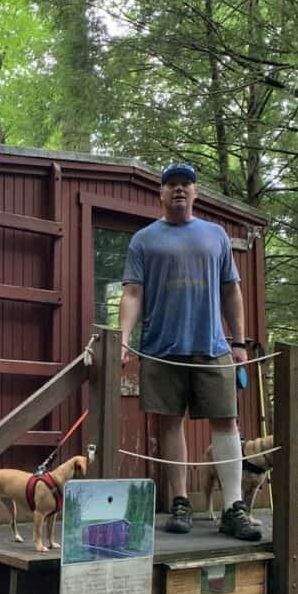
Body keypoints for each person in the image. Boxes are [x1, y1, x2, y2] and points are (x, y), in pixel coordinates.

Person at [118, 162, 260, 541]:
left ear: (196, 193)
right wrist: (124, 337)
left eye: (186, 184)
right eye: (172, 185)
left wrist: (240, 343)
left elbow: (232, 290)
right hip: (162, 348)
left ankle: (234, 507)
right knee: (169, 421)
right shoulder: (144, 240)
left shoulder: (216, 236)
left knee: (226, 420)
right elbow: (132, 292)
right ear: (161, 193)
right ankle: (180, 502)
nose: (179, 190)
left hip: (212, 347)